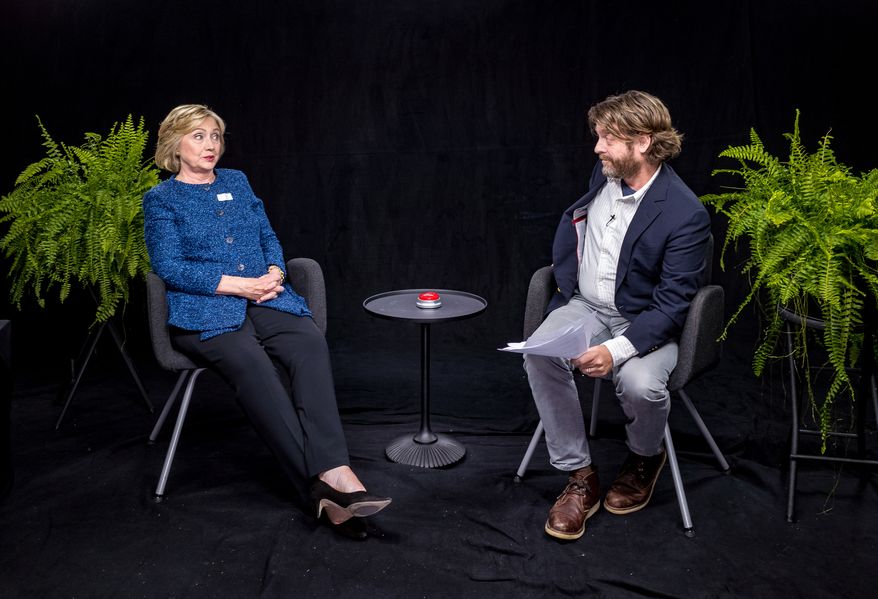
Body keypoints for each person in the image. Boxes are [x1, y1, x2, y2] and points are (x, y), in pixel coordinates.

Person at [143, 104, 390, 540]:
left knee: (309, 343)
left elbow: (268, 236)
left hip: (268, 297)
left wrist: (275, 272)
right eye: (198, 136)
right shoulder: (161, 199)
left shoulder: (237, 182)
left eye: (215, 136)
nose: (211, 145)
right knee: (253, 365)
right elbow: (169, 267)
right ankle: (323, 491)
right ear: (174, 144)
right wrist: (240, 286)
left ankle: (337, 473)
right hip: (205, 310)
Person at [523, 91, 710, 540]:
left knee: (639, 384)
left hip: (645, 321)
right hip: (586, 307)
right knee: (539, 353)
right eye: (599, 136)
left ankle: (645, 458)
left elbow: (672, 304)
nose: (597, 147)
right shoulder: (608, 173)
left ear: (643, 142)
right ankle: (580, 477)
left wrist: (615, 349)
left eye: (608, 138)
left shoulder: (686, 215)